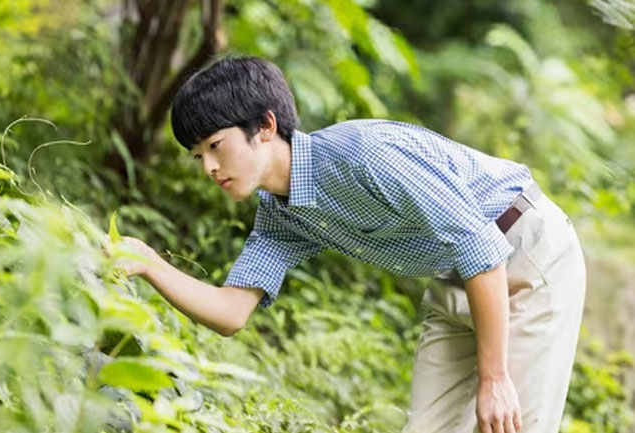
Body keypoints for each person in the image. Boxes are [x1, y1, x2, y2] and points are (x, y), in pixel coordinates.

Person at [116, 55, 586, 433]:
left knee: (510, 423)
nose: (208, 169)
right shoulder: (280, 214)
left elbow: (478, 245)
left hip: (528, 256)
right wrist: (149, 263)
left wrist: (495, 377)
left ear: (264, 126)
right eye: (198, 156)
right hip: (458, 278)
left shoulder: (363, 154)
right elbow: (232, 312)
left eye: (216, 146)